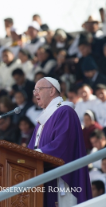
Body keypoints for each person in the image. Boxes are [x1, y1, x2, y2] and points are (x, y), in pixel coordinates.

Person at [27, 77, 91, 206]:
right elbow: (30, 149)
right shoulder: (43, 120)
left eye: (38, 89)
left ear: (52, 91)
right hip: (44, 177)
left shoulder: (65, 111)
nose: (35, 94)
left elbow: (63, 145)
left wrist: (36, 154)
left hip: (61, 180)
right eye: (34, 90)